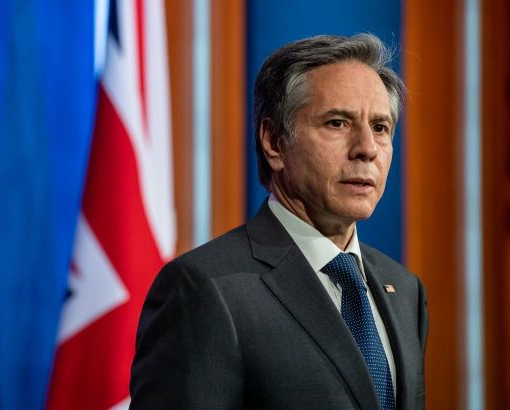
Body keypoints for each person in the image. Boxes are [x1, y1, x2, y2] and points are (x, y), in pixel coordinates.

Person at [130, 33, 428, 410]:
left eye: (381, 127)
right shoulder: (205, 289)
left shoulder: (405, 291)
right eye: (338, 123)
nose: (367, 148)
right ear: (274, 142)